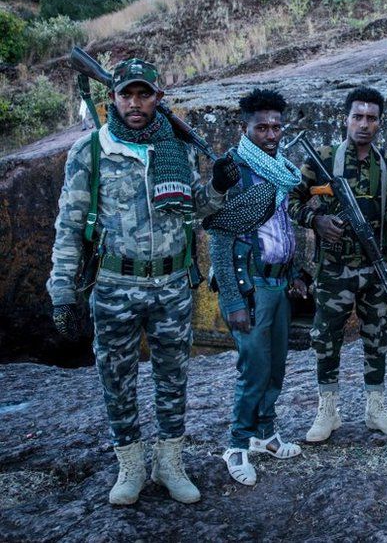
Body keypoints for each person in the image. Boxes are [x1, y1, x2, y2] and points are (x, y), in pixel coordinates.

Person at [48, 58, 239, 505]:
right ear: (112, 98)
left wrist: (217, 186)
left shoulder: (178, 146)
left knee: (174, 376)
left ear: (157, 97)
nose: (135, 104)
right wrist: (61, 290)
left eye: (144, 94)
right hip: (114, 286)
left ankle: (169, 463)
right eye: (126, 95)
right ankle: (131, 467)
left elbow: (199, 210)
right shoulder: (91, 150)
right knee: (117, 377)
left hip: (172, 284)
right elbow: (70, 226)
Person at [288, 86, 387, 442]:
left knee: (378, 337)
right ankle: (328, 410)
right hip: (333, 271)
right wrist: (316, 221)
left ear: (380, 123)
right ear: (346, 119)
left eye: (371, 118)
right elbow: (291, 202)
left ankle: (376, 408)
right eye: (357, 116)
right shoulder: (321, 161)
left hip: (375, 270)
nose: (364, 124)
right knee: (326, 338)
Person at [208, 89, 306, 485]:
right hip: (250, 288)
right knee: (254, 369)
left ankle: (265, 433)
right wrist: (232, 298)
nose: (270, 133)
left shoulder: (280, 168)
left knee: (277, 365)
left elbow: (282, 225)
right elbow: (220, 238)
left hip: (278, 282)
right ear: (244, 128)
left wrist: (296, 271)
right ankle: (236, 446)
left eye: (276, 126)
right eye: (261, 127)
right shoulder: (234, 171)